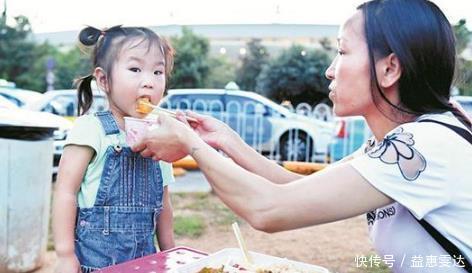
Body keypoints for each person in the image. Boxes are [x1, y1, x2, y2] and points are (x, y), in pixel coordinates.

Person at [132, 1, 472, 272]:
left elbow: (267, 208)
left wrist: (189, 143)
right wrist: (224, 140)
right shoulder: (400, 141)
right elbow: (292, 188)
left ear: (390, 69)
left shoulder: (422, 147)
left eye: (342, 52)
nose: (329, 69)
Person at [52, 25, 176, 273]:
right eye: (135, 69)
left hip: (145, 265)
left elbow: (163, 202)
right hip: (95, 266)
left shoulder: (161, 137)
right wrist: (65, 255)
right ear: (104, 80)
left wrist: (170, 251)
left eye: (157, 71)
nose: (149, 82)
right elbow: (65, 191)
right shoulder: (91, 129)